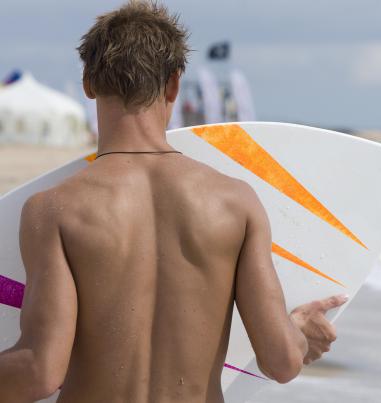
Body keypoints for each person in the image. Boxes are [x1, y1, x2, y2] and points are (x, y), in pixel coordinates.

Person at [0, 2, 346, 402]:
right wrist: (299, 333)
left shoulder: (55, 210)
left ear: (88, 84)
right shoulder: (236, 202)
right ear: (174, 85)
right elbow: (281, 361)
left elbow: (39, 372)